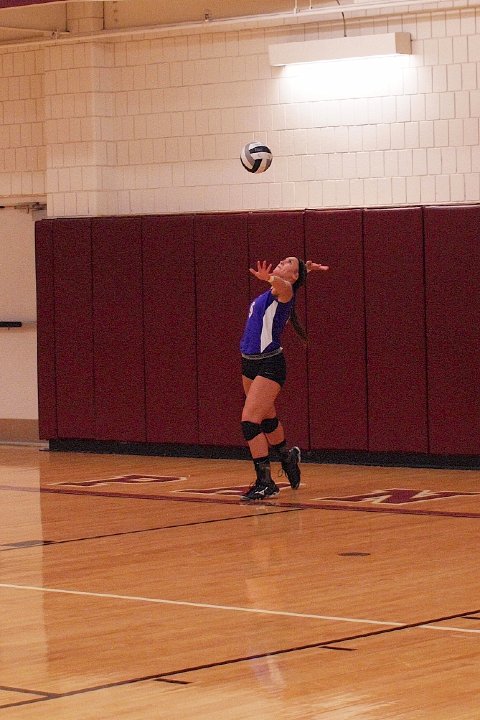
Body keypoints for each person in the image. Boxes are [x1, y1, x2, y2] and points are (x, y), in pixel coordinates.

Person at [240, 256, 329, 500]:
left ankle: (265, 482)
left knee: (249, 422)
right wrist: (306, 268)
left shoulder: (286, 290)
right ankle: (287, 457)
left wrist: (269, 277)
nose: (282, 261)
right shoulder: (276, 291)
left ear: (293, 276)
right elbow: (285, 281)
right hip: (249, 363)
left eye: (289, 262)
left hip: (270, 364)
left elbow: (283, 284)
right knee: (267, 419)